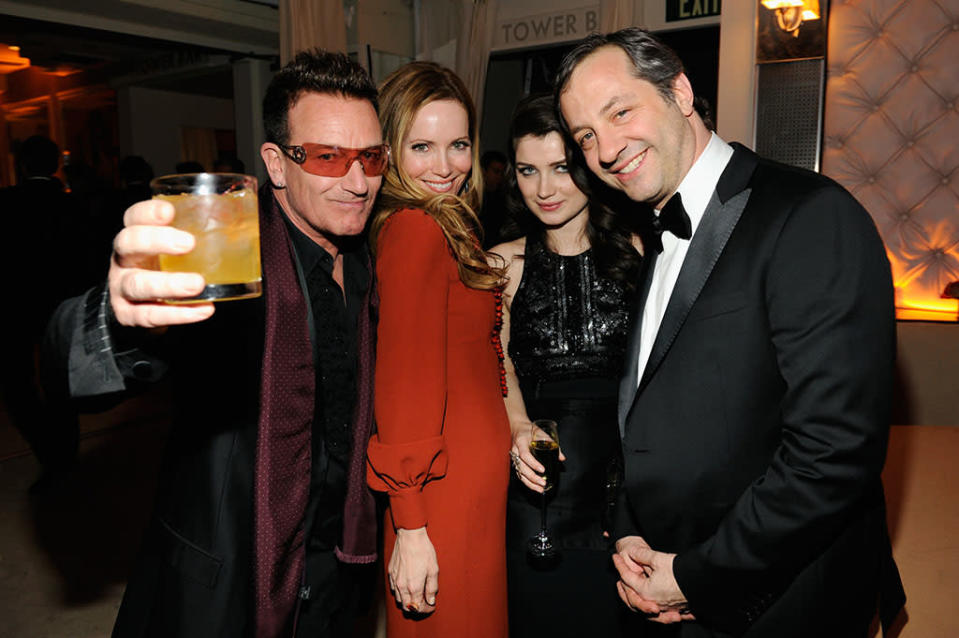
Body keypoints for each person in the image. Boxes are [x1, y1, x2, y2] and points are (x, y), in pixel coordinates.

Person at [555, 28, 905, 637]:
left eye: (620, 111)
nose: (606, 148)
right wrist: (631, 523)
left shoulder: (810, 214)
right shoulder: (653, 236)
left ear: (681, 91)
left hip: (783, 602)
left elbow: (833, 452)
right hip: (670, 587)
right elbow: (653, 411)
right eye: (586, 135)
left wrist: (698, 577)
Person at [42, 50, 385, 638]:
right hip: (230, 581)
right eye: (329, 157)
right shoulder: (225, 256)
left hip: (335, 572)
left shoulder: (364, 264)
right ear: (277, 164)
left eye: (371, 157)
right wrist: (116, 318)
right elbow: (63, 367)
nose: (357, 182)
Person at [366, 61, 510, 637]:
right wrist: (412, 525)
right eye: (421, 146)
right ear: (389, 149)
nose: (445, 166)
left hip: (464, 482)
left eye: (459, 144)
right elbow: (403, 383)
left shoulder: (448, 222)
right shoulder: (416, 230)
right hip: (440, 494)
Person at [489, 93, 642, 638]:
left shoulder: (639, 250)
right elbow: (495, 360)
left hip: (625, 489)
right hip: (539, 487)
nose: (544, 189)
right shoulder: (500, 263)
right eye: (528, 170)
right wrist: (517, 425)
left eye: (559, 168)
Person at [0, 135, 88, 491]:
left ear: (22, 165)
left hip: (13, 305)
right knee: (61, 382)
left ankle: (48, 449)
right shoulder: (75, 205)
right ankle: (65, 453)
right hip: (62, 306)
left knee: (16, 383)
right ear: (55, 165)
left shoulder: (5, 202)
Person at [479, 149, 509, 247]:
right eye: (496, 172)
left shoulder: (503, 199)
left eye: (502, 173)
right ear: (483, 171)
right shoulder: (473, 198)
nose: (500, 177)